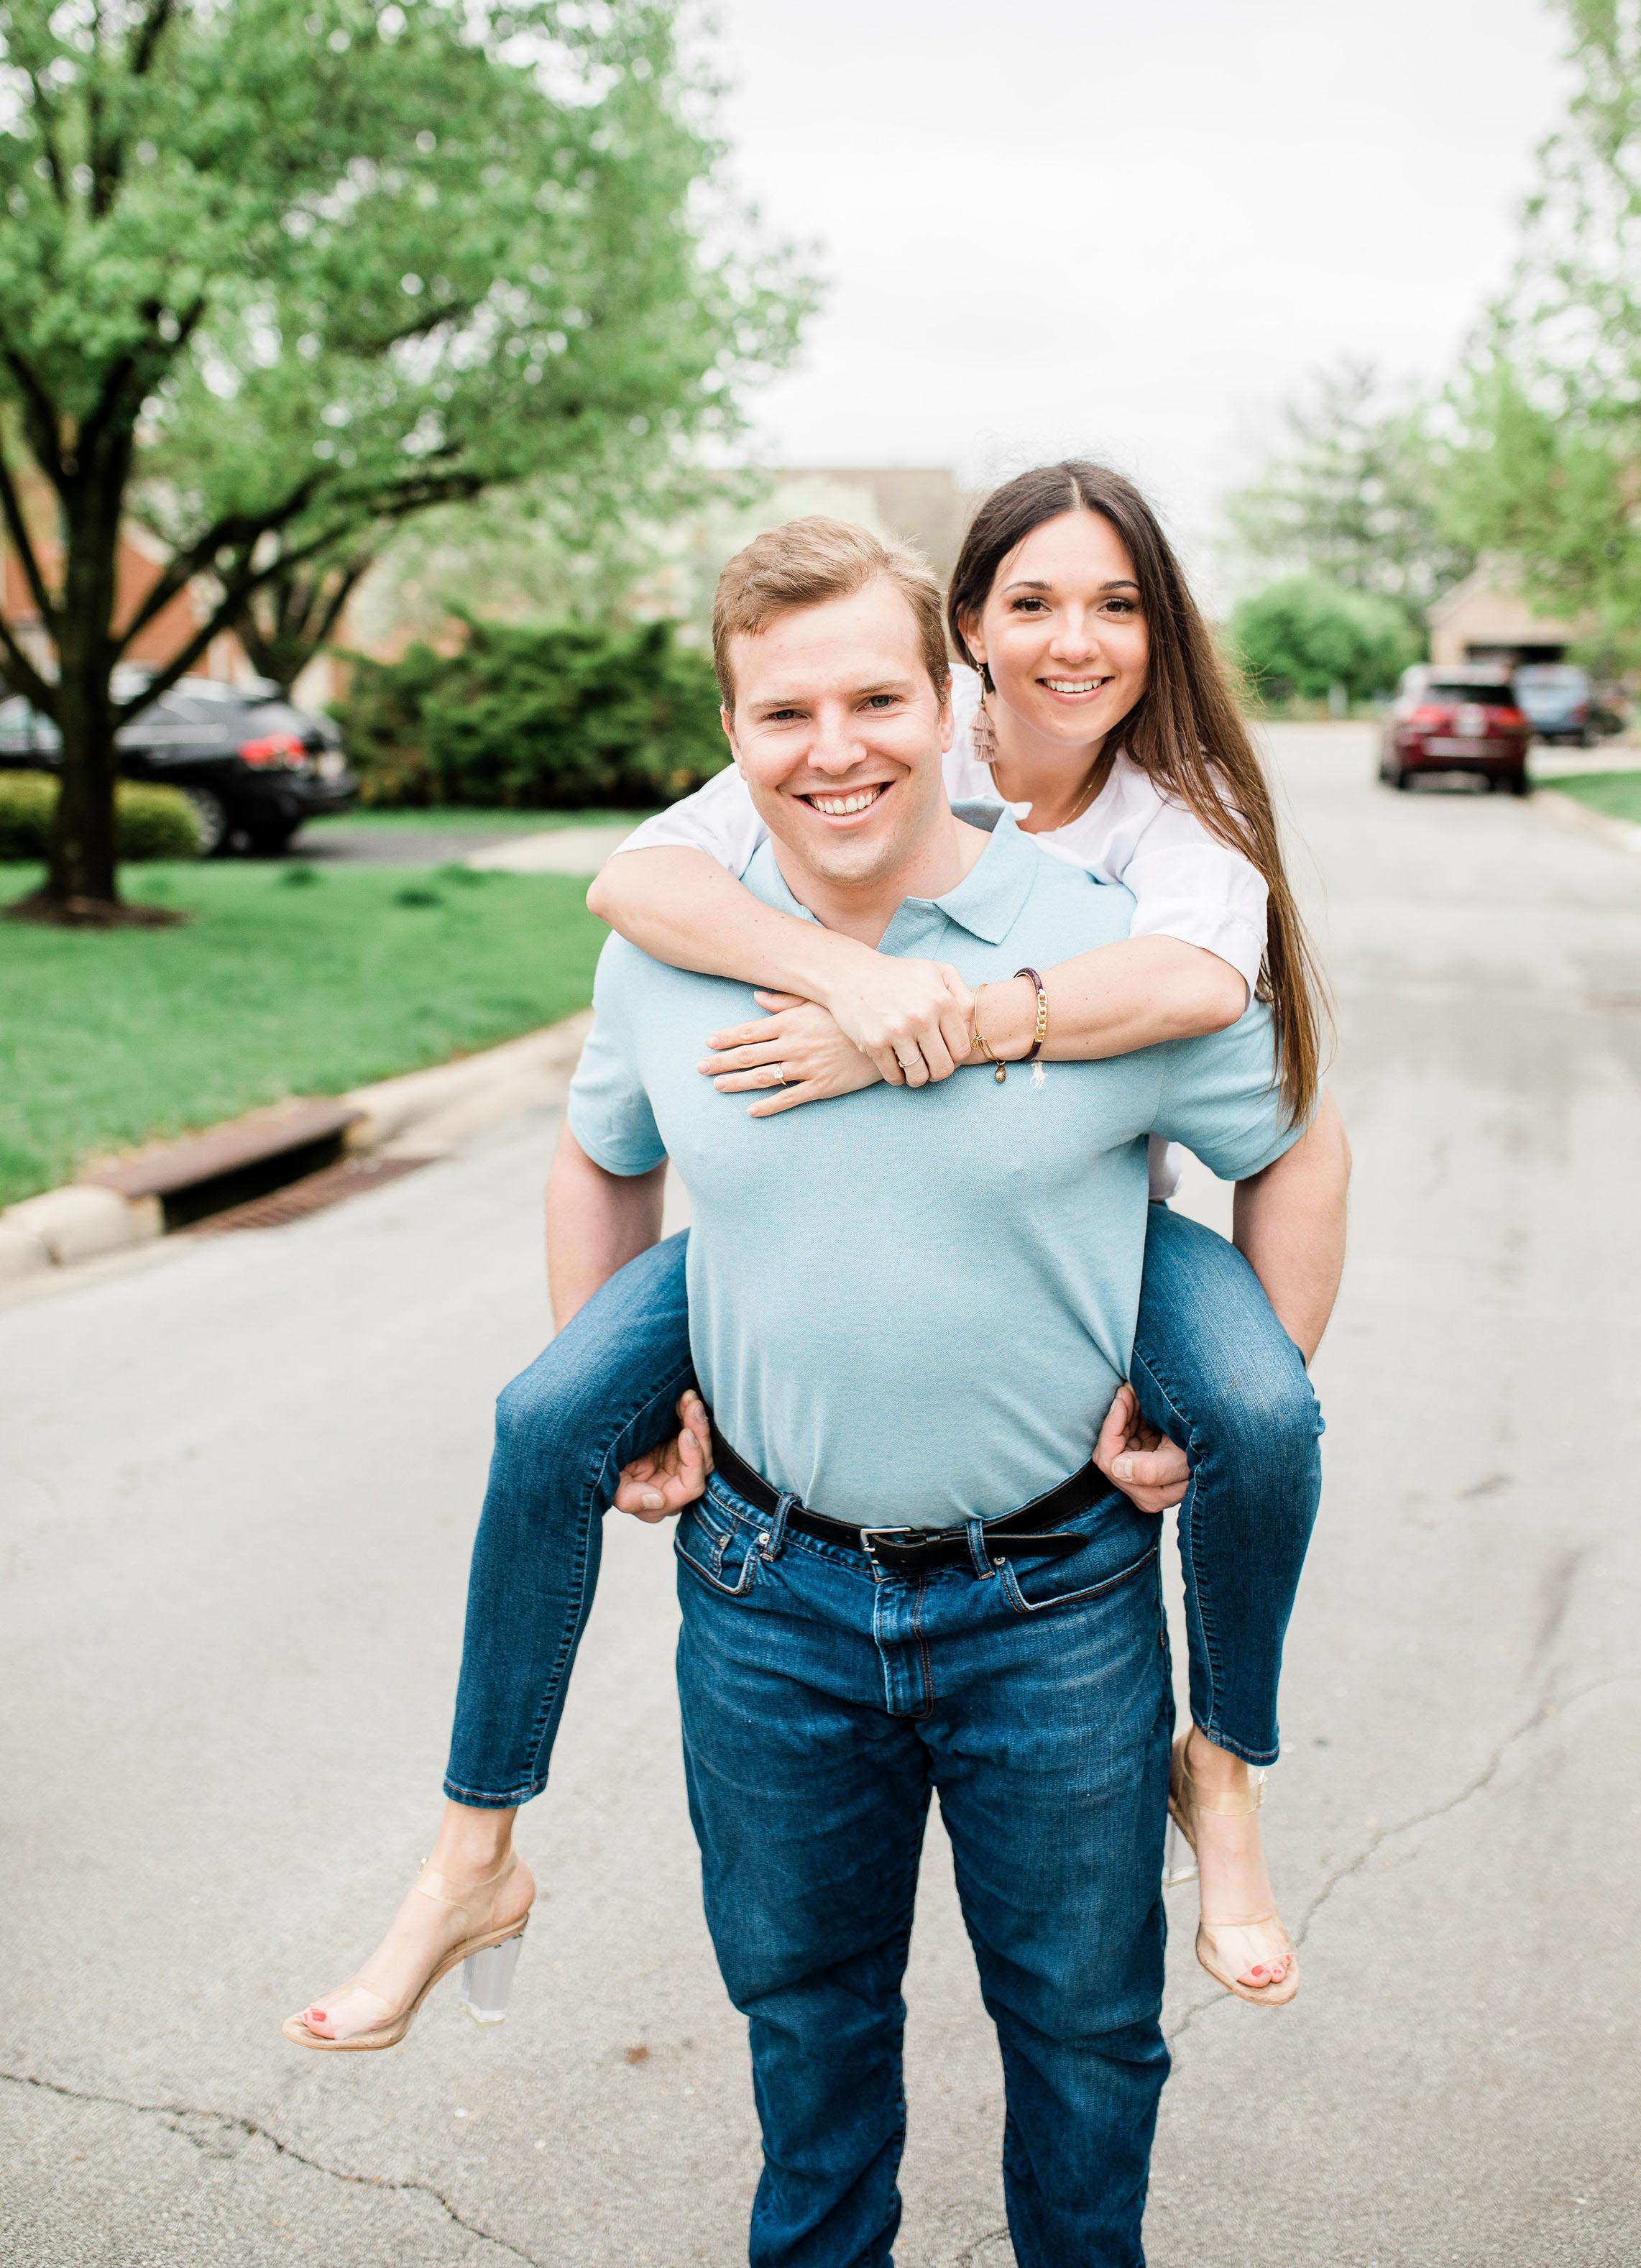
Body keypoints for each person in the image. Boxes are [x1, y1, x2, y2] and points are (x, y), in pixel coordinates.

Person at [285, 474, 1347, 2070]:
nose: (1078, 643)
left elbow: (1219, 1017)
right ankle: (471, 1855)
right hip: (774, 1570)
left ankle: (1229, 1770)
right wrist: (847, 976)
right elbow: (633, 897)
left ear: (937, 693)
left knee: (1266, 1414)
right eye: (1037, 605)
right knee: (546, 1418)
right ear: (976, 642)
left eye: (1119, 605)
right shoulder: (776, 812)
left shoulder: (1162, 844)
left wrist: (943, 1023)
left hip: (1105, 1281)